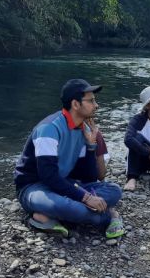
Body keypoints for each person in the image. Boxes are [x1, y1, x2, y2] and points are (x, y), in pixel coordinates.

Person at [14, 79, 125, 239]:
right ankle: (109, 216)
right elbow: (48, 176)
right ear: (75, 104)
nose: (96, 105)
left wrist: (90, 146)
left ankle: (47, 217)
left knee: (114, 190)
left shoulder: (83, 129)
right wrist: (86, 198)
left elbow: (88, 177)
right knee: (76, 209)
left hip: (66, 182)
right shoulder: (49, 129)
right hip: (34, 187)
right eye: (91, 101)